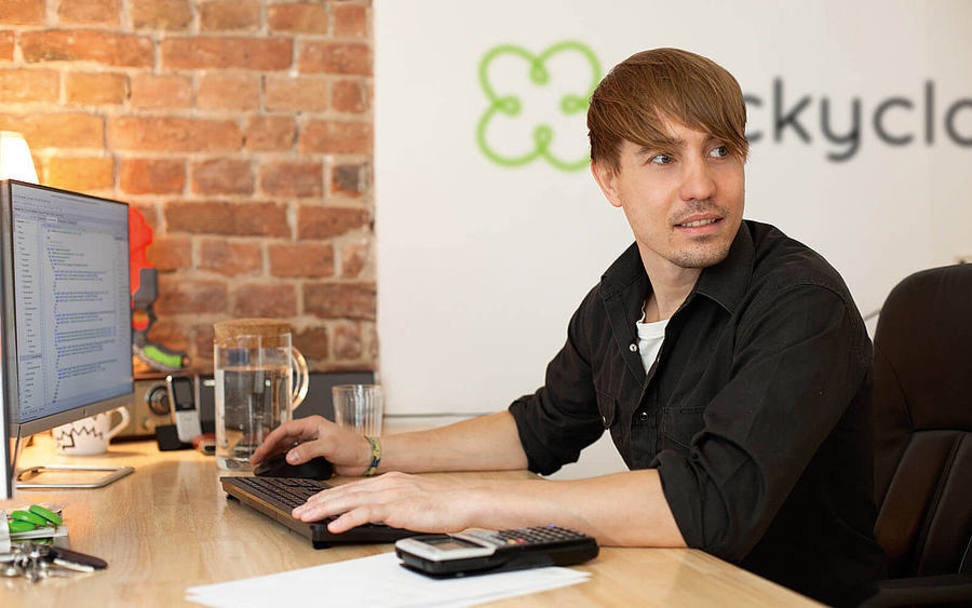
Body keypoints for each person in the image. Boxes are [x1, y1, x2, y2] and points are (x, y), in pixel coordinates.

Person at [251, 48, 886, 606]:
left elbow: (710, 505)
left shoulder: (800, 302)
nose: (702, 185)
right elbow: (539, 428)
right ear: (609, 179)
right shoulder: (615, 302)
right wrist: (375, 453)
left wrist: (458, 503)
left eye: (720, 151)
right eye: (664, 159)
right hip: (668, 585)